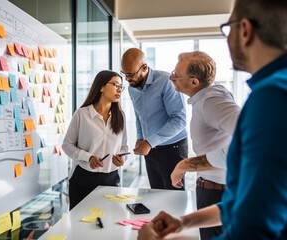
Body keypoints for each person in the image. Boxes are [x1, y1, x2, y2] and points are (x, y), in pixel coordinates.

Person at [137, 0, 287, 239]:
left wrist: (186, 164)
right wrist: (183, 222)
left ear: (245, 30)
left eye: (228, 29)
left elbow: (255, 229)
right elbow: (248, 202)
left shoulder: (271, 97)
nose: (172, 77)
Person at [169, 51, 241, 240]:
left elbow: (248, 139)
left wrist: (185, 165)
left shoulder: (211, 101)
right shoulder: (207, 97)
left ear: (194, 82)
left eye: (176, 74)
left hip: (218, 193)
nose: (171, 77)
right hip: (214, 189)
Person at [121, 48, 188, 190]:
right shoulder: (132, 88)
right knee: (156, 192)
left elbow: (180, 120)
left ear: (144, 67)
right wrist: (140, 137)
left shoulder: (165, 82)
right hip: (150, 148)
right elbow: (138, 116)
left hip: (173, 148)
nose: (127, 79)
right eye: (125, 75)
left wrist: (150, 142)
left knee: (173, 196)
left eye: (131, 74)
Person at [62, 70, 128, 210]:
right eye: (115, 84)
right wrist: (88, 157)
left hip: (111, 179)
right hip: (83, 179)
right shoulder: (82, 114)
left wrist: (122, 159)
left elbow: (124, 147)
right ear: (101, 87)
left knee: (108, 224)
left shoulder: (120, 116)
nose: (119, 90)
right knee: (79, 223)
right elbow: (67, 145)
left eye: (121, 86)